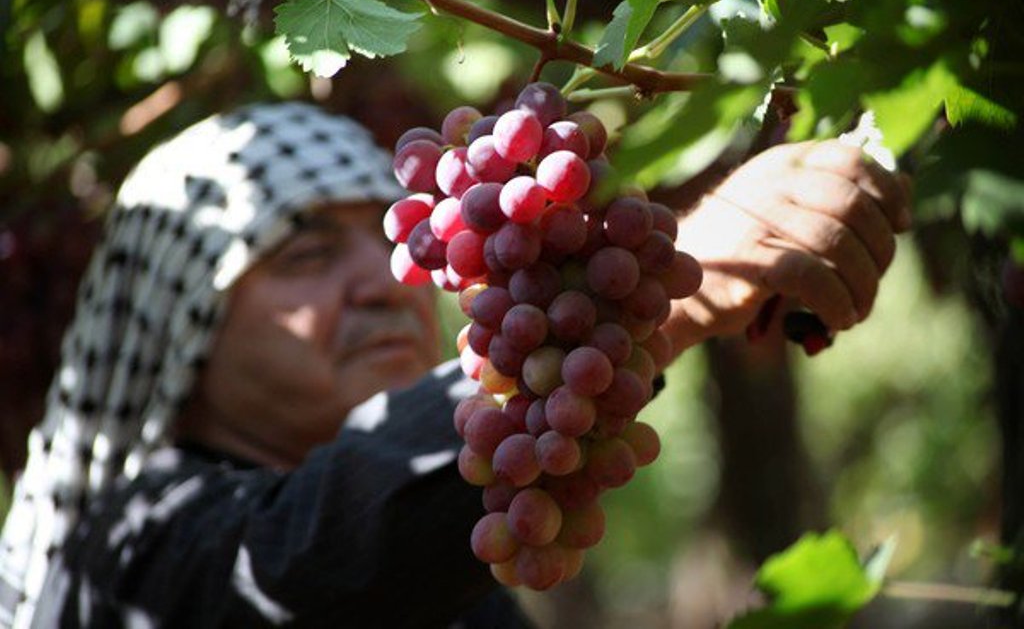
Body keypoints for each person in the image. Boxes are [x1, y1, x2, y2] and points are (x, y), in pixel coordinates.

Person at [0, 101, 911, 628]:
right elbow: (313, 560)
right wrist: (666, 295)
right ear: (179, 335)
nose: (384, 283)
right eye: (306, 254)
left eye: (395, 245)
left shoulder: (467, 593)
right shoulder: (134, 547)